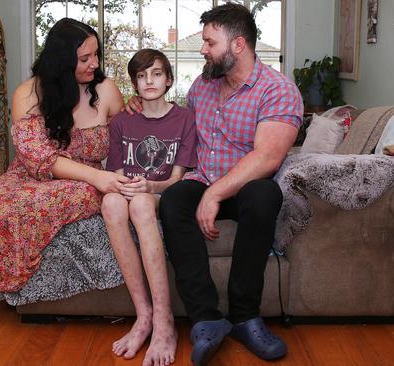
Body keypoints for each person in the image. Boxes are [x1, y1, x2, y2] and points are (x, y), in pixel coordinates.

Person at [127, 3, 303, 365]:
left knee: (265, 194)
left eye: (209, 42)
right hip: (203, 177)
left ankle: (244, 316)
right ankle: (205, 318)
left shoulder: (278, 90)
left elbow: (267, 158)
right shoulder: (202, 86)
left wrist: (215, 193)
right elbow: (177, 126)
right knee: (175, 200)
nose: (202, 49)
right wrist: (141, 109)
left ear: (238, 45)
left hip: (246, 186)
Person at [0, 18, 126, 312]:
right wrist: (98, 176)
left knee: (77, 195)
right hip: (32, 174)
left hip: (84, 181)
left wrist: (137, 109)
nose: (94, 63)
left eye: (96, 55)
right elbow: (40, 158)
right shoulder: (27, 94)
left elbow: (128, 134)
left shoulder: (106, 90)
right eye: (84, 58)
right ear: (60, 61)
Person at [102, 49, 197, 366]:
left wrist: (148, 187)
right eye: (141, 76)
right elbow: (117, 175)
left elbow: (176, 181)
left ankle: (164, 320)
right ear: (134, 84)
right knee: (111, 202)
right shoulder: (120, 123)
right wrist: (129, 187)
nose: (149, 81)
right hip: (130, 190)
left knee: (142, 204)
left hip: (159, 192)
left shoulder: (184, 119)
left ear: (168, 79)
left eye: (156, 73)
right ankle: (143, 316)